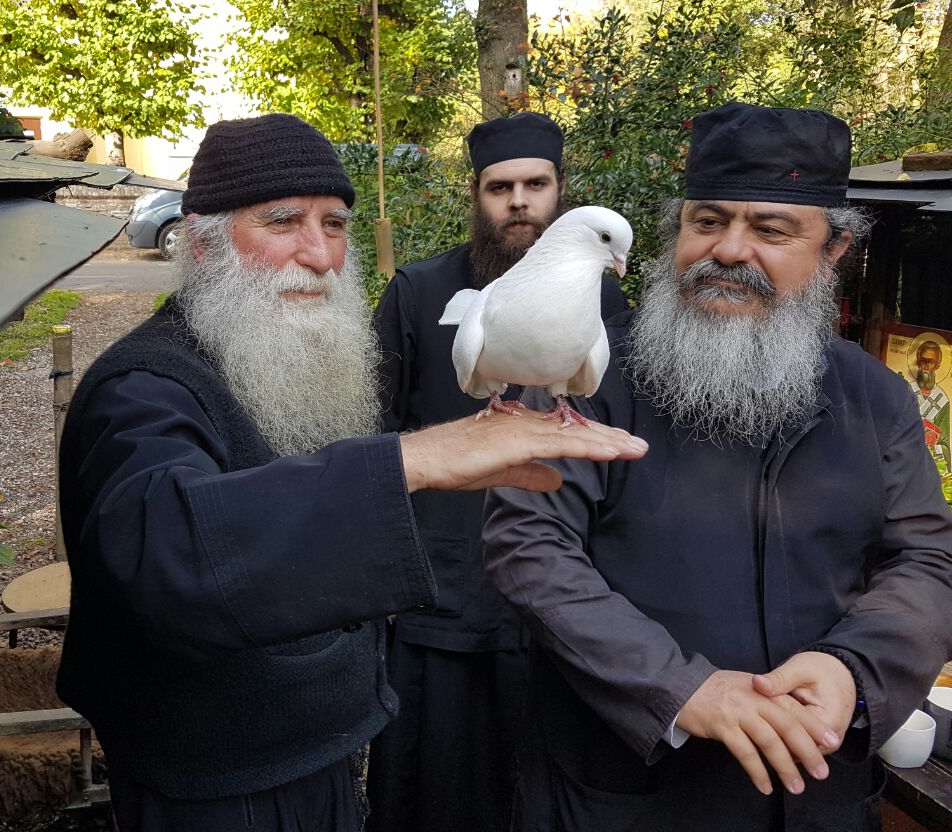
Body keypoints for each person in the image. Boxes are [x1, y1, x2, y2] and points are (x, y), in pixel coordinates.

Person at [54, 112, 648, 832]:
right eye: (283, 222)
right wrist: (413, 460)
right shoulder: (142, 387)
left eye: (334, 225)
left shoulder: (281, 362)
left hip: (320, 754)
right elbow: (164, 558)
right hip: (211, 785)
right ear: (204, 245)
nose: (320, 256)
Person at [481, 101, 952, 832]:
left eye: (771, 230)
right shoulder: (585, 375)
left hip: (817, 796)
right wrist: (679, 688)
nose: (729, 251)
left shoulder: (876, 398)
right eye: (706, 221)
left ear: (833, 249)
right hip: (624, 793)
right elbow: (528, 543)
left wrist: (852, 670)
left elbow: (927, 558)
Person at [367, 111, 627, 832]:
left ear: (561, 192)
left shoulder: (606, 299)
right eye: (499, 187)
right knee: (434, 788)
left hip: (562, 592)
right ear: (476, 197)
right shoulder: (419, 292)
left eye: (535, 185)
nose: (519, 202)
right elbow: (374, 433)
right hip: (441, 590)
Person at [908, 339, 951, 464]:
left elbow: (944, 443)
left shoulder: (942, 400)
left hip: (928, 460)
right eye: (923, 361)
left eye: (931, 362)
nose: (926, 367)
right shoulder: (906, 391)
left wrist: (931, 444)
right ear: (918, 362)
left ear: (937, 365)